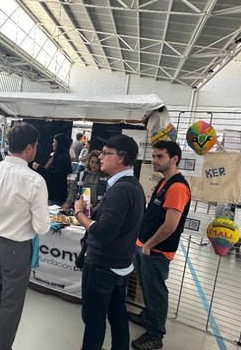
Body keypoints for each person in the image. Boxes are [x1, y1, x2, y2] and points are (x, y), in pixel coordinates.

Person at [0, 122, 50, 350]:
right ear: (29, 148)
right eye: (36, 146)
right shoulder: (35, 180)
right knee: (11, 304)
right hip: (17, 249)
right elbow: (42, 227)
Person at [74, 134, 145, 350]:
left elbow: (103, 232)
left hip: (103, 266)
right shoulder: (132, 186)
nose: (100, 157)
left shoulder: (122, 190)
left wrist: (80, 215)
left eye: (106, 153)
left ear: (121, 158)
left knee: (94, 321)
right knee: (117, 315)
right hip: (120, 264)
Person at [129, 140, 191, 350]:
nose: (154, 160)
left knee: (156, 291)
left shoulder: (178, 187)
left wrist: (149, 245)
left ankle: (155, 335)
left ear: (174, 159)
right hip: (145, 246)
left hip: (156, 251)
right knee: (147, 287)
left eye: (160, 156)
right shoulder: (164, 182)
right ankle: (148, 316)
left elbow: (170, 225)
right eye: (154, 156)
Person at [32, 133, 72, 206]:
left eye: (54, 142)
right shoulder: (56, 156)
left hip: (56, 195)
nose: (52, 144)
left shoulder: (63, 158)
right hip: (51, 193)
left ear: (59, 144)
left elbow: (55, 175)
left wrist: (39, 168)